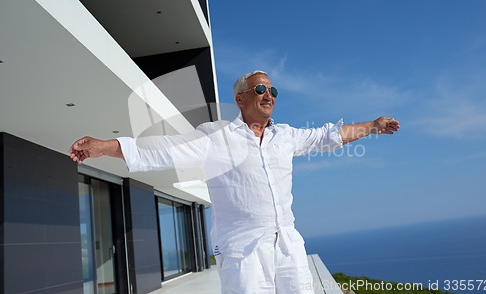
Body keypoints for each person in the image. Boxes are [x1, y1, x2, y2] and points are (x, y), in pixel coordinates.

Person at [69, 70, 400, 294]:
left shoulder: (285, 136)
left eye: (272, 90)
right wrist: (106, 147)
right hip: (243, 252)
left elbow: (328, 136)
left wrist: (372, 125)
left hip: (288, 245)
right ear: (240, 99)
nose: (268, 94)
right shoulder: (217, 137)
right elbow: (165, 151)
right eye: (260, 89)